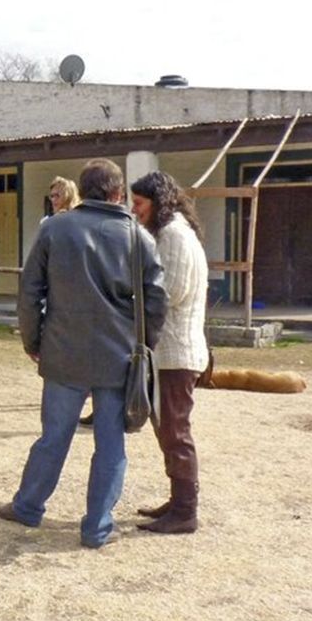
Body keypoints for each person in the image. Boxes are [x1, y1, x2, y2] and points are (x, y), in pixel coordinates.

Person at [0, 158, 167, 549]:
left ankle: (29, 505)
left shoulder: (56, 228)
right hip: (118, 356)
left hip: (63, 349)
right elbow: (157, 299)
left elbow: (29, 291)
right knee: (111, 445)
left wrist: (33, 340)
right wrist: (144, 345)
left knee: (53, 437)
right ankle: (97, 525)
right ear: (118, 192)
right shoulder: (137, 236)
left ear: (82, 190)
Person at [130, 171, 209, 535]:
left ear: (157, 203)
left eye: (140, 203)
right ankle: (177, 501)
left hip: (177, 351)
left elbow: (169, 292)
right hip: (171, 350)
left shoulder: (175, 235)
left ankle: (185, 510)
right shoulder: (170, 232)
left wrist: (131, 297)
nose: (135, 209)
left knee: (175, 430)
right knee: (167, 428)